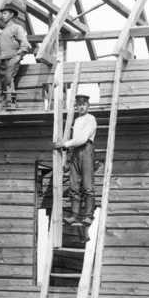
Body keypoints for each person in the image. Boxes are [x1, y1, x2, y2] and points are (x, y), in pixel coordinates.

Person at [53, 94, 98, 242]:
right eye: (79, 104)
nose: (81, 107)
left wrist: (64, 144)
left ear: (88, 106)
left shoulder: (90, 118)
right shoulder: (77, 120)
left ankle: (89, 216)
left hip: (86, 149)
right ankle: (75, 215)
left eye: (84, 104)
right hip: (76, 152)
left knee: (88, 186)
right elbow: (76, 140)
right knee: (74, 186)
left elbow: (83, 139)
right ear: (76, 106)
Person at [0, 5, 32, 110]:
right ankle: (6, 104)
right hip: (3, 61)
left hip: (12, 59)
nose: (2, 15)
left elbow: (25, 44)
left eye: (5, 13)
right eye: (2, 14)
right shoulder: (2, 32)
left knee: (8, 80)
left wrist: (17, 58)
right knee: (3, 83)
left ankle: (11, 103)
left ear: (11, 15)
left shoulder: (17, 28)